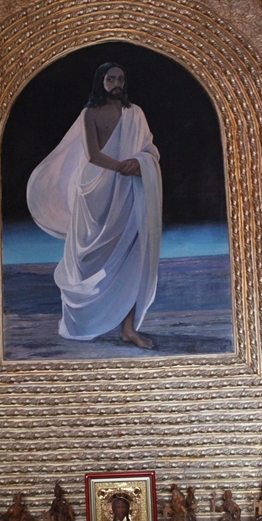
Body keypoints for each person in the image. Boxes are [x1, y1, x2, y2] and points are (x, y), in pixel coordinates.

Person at [27, 62, 162, 349]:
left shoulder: (135, 113)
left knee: (133, 256)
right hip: (96, 192)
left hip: (129, 192)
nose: (116, 84)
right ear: (101, 81)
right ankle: (87, 321)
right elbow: (92, 155)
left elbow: (150, 149)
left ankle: (129, 329)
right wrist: (122, 166)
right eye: (111, 79)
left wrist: (138, 162)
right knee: (87, 260)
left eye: (120, 79)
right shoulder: (89, 114)